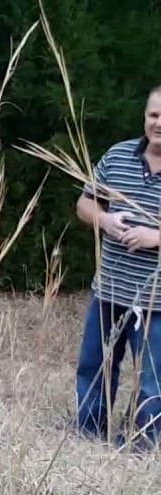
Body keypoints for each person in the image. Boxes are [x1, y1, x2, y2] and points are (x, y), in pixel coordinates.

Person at [73, 84, 161, 450]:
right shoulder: (118, 155)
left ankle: (145, 438)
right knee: (95, 364)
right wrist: (105, 220)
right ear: (145, 117)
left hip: (157, 300)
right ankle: (90, 428)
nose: (159, 124)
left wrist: (156, 237)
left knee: (154, 378)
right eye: (154, 115)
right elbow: (84, 204)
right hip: (109, 288)